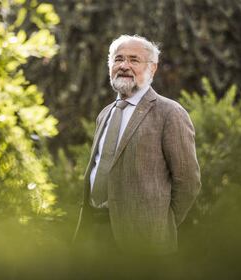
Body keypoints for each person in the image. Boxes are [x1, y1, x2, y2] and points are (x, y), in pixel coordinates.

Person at [73, 34, 201, 256]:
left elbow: (188, 181)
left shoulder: (170, 113)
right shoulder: (105, 114)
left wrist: (160, 224)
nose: (124, 65)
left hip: (143, 241)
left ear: (152, 68)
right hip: (92, 235)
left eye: (134, 60)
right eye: (118, 59)